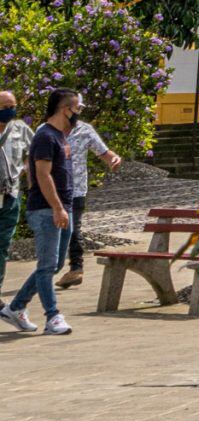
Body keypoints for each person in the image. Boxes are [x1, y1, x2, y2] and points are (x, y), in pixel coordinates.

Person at [1, 88, 77, 335]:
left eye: (11, 105)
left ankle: (15, 307)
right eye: (77, 108)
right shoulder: (46, 135)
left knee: (49, 264)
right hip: (46, 208)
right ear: (65, 109)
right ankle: (52, 316)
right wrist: (53, 205)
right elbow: (43, 172)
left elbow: (32, 166)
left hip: (31, 201)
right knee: (47, 265)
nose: (8, 110)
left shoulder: (40, 133)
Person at [59, 95, 122, 289]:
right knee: (57, 229)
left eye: (80, 109)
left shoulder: (85, 130)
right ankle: (53, 266)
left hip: (77, 189)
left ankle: (76, 268)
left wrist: (113, 158)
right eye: (75, 109)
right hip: (52, 188)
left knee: (72, 227)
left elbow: (103, 152)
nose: (78, 113)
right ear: (63, 108)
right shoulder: (47, 131)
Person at [0, 92, 27, 275]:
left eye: (13, 106)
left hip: (10, 196)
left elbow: (37, 151)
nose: (10, 111)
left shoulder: (20, 129)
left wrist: (22, 168)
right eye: (5, 107)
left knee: (2, 246)